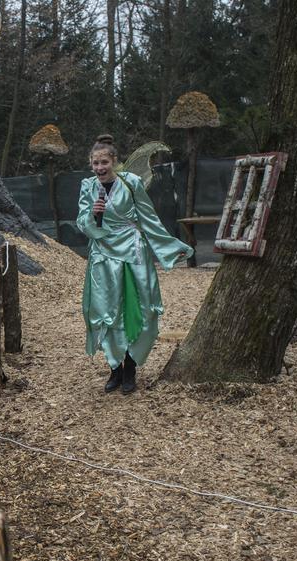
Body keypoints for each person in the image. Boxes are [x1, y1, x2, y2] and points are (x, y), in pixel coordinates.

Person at [76, 134, 193, 394]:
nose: (99, 168)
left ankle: (130, 369)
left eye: (104, 162)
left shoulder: (132, 182)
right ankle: (114, 370)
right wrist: (93, 214)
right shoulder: (88, 186)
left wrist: (171, 247)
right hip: (103, 255)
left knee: (139, 308)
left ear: (114, 161)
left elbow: (148, 218)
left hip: (133, 251)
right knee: (107, 311)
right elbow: (81, 223)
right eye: (95, 163)